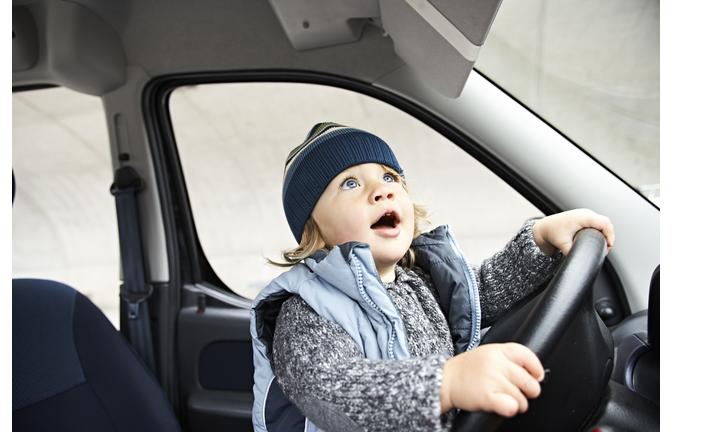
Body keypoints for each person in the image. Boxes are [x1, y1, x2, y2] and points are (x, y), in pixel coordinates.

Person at [250, 122, 614, 432]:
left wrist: (540, 240)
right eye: (349, 184)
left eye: (389, 177)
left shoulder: (417, 281)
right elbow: (332, 389)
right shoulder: (307, 314)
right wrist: (446, 383)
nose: (382, 190)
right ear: (315, 231)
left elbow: (481, 292)